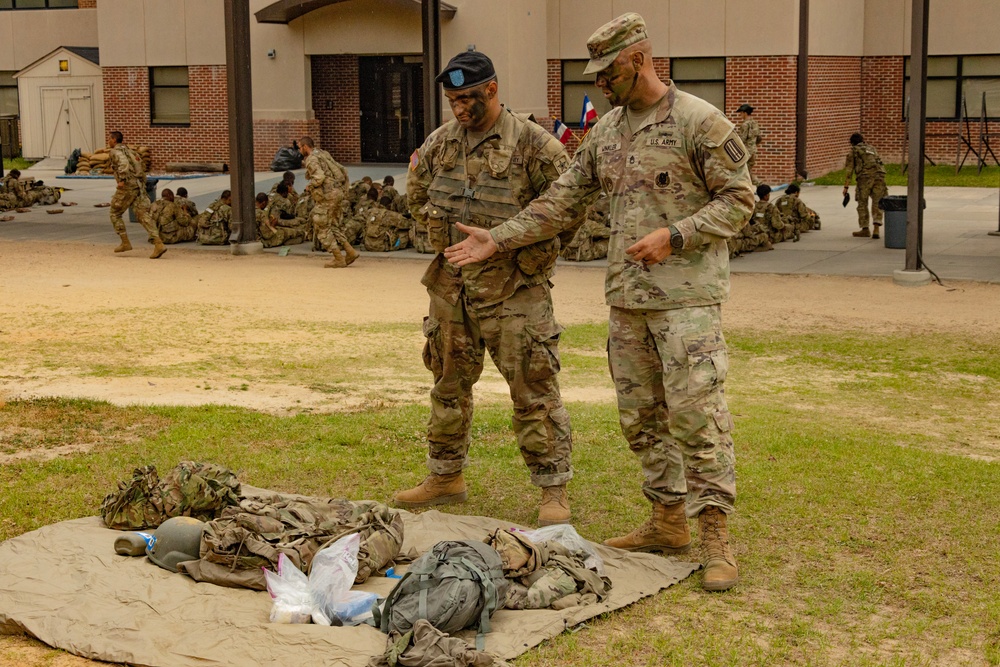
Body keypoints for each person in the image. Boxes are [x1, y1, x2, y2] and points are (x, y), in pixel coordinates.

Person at [445, 14, 753, 591]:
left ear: (639, 59)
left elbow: (741, 201)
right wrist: (498, 238)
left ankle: (714, 537)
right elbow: (561, 201)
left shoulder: (698, 122)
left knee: (696, 417)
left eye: (608, 72)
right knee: (641, 418)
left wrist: (676, 235)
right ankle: (666, 520)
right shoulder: (607, 132)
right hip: (628, 301)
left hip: (686, 303)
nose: (601, 85)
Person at [393, 49, 577, 527]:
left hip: (515, 292)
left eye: (467, 98)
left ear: (492, 90)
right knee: (448, 384)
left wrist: (517, 247)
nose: (459, 108)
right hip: (452, 289)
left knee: (533, 388)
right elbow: (416, 193)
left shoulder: (536, 146)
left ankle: (552, 489)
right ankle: (445, 476)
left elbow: (569, 210)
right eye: (452, 99)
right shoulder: (440, 143)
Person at [299, 136, 357, 268]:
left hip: (328, 195)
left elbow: (319, 177)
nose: (299, 151)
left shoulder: (311, 159)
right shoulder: (323, 153)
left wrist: (310, 186)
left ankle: (338, 258)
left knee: (321, 224)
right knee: (333, 225)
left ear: (305, 147)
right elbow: (341, 170)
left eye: (300, 148)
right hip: (338, 193)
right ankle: (350, 251)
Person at [108, 131, 166, 259]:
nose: (108, 142)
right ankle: (158, 243)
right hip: (138, 186)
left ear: (114, 140)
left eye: (109, 139)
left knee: (114, 213)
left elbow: (123, 165)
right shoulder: (131, 151)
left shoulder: (115, 152)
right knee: (142, 215)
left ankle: (125, 242)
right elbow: (141, 166)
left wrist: (122, 181)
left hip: (127, 187)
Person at [842, 133, 887, 239]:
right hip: (879, 177)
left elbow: (849, 171)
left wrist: (846, 187)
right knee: (878, 203)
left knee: (862, 203)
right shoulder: (872, 148)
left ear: (852, 143)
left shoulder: (853, 151)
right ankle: (876, 229)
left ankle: (865, 229)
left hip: (864, 179)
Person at [735, 104, 762, 185]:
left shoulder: (745, 124)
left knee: (742, 171)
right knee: (747, 170)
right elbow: (759, 138)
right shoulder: (755, 123)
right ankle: (759, 185)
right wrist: (753, 145)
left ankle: (758, 184)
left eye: (741, 113)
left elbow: (742, 139)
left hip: (746, 151)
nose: (740, 115)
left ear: (745, 113)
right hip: (753, 150)